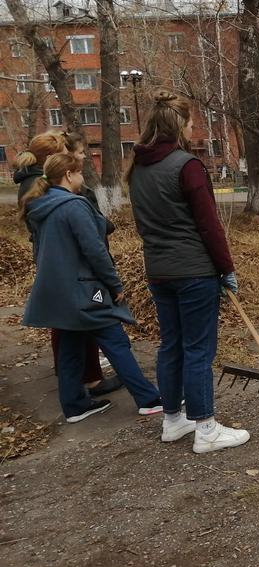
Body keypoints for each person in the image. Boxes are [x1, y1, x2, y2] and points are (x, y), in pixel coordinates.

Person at [128, 90, 249, 454]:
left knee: (172, 345)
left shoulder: (137, 168)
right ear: (179, 124)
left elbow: (142, 224)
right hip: (194, 272)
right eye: (191, 120)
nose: (193, 126)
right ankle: (206, 428)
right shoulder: (187, 165)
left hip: (159, 271)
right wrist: (225, 268)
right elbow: (209, 225)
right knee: (198, 349)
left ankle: (172, 420)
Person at [19, 153, 163, 423]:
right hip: (84, 290)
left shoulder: (38, 206)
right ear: (69, 175)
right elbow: (95, 250)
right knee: (115, 341)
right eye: (80, 172)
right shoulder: (74, 206)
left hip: (57, 290)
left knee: (70, 347)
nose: (82, 177)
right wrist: (114, 283)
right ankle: (149, 399)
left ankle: (75, 406)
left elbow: (39, 251)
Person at [14, 132, 120, 399]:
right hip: (66, 262)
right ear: (53, 159)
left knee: (73, 320)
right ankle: (86, 380)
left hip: (64, 260)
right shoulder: (39, 187)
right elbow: (71, 226)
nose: (77, 156)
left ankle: (78, 380)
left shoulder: (42, 184)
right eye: (71, 153)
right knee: (72, 320)